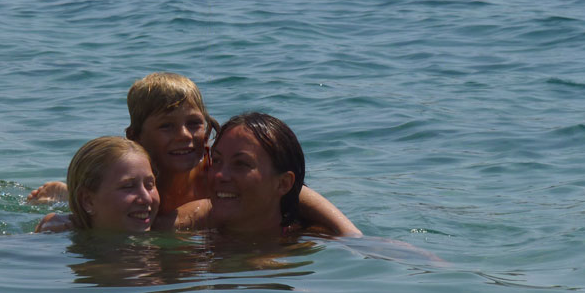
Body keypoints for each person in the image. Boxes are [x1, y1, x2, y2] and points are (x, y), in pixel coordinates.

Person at [29, 72, 360, 236]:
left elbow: (296, 192)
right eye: (166, 126)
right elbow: (101, 209)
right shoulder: (133, 176)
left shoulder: (215, 174)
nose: (184, 136)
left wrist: (352, 237)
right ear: (135, 136)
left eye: (194, 124)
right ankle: (66, 191)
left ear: (207, 127)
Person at [173, 112, 363, 237]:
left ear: (283, 184)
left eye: (241, 164)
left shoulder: (307, 242)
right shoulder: (185, 225)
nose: (220, 175)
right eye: (217, 160)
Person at [34, 136, 163, 233]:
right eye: (128, 187)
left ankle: (67, 195)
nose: (147, 198)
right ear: (88, 201)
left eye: (150, 185)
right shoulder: (58, 230)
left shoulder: (167, 226)